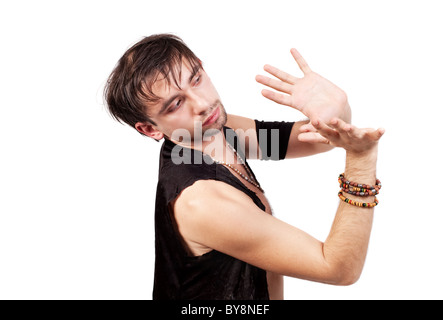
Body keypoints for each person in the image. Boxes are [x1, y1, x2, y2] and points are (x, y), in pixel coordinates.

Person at [104, 34, 384, 300]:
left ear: (201, 65)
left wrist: (336, 109)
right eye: (176, 104)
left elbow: (314, 141)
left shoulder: (213, 132)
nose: (201, 104)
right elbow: (338, 268)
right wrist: (360, 162)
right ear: (149, 129)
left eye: (196, 79)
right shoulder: (202, 202)